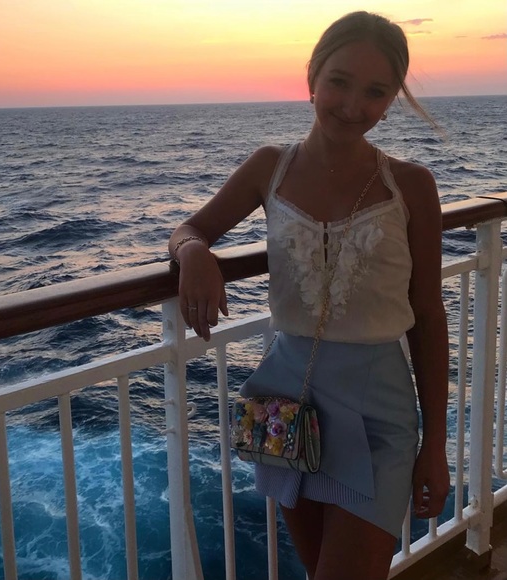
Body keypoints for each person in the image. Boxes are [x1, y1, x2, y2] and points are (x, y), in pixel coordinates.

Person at [168, 10, 450, 580]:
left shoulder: (410, 185)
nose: (352, 105)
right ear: (312, 77)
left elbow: (427, 313)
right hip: (286, 405)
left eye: (375, 92)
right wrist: (194, 253)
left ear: (392, 99)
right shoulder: (269, 168)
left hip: (378, 415)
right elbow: (189, 229)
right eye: (340, 82)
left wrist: (436, 445)